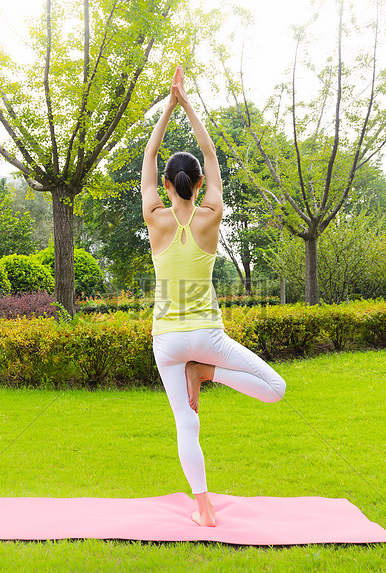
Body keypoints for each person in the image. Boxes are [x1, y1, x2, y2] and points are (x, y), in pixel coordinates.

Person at [141, 66, 287, 527]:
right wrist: (188, 105)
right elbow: (209, 151)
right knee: (275, 390)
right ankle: (207, 373)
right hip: (207, 337)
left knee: (187, 424)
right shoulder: (211, 215)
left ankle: (203, 507)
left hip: (166, 341)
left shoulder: (155, 217)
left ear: (167, 185)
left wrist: (168, 106)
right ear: (199, 183)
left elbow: (149, 156)